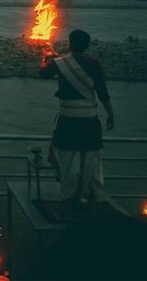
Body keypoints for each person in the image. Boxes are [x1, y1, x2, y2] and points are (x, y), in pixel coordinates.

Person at [40, 29, 114, 208]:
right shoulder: (93, 64)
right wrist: (111, 114)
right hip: (89, 120)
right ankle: (89, 193)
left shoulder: (60, 63)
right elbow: (102, 92)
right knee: (90, 156)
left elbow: (42, 74)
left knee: (66, 157)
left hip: (68, 120)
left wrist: (46, 59)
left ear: (69, 43)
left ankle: (70, 196)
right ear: (87, 45)